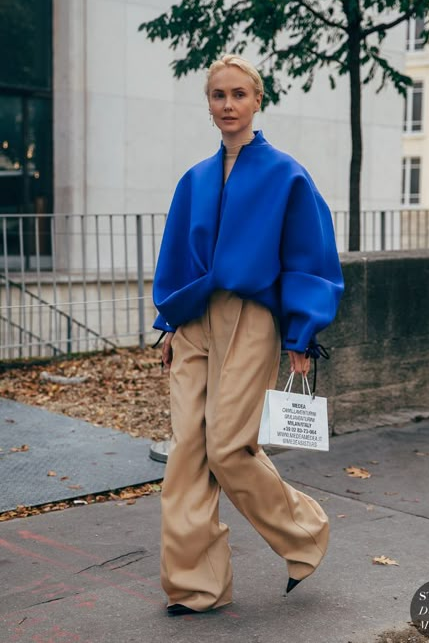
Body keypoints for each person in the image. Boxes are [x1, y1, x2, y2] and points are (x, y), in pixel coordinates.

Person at [152, 54, 344, 616]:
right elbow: (176, 257)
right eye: (218, 96)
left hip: (251, 316)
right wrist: (167, 323)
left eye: (239, 94)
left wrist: (301, 335)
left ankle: (304, 531)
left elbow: (309, 257)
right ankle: (196, 586)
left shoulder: (285, 174)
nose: (229, 105)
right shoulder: (194, 179)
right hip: (193, 321)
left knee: (229, 447)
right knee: (187, 451)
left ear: (258, 100)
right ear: (208, 104)